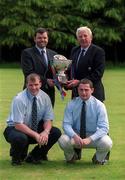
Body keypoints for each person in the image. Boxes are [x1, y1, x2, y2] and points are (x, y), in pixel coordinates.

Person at [3, 73, 61, 165]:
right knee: (20, 138)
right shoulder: (19, 99)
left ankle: (34, 156)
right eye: (31, 85)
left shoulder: (45, 97)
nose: (34, 88)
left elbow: (48, 119)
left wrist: (45, 132)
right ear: (26, 85)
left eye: (36, 85)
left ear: (40, 84)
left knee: (55, 132)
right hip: (15, 129)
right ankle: (16, 158)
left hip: (33, 127)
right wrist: (36, 135)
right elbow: (18, 125)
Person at [58, 79, 112, 165]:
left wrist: (90, 139)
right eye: (81, 90)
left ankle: (98, 159)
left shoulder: (100, 105)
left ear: (92, 90)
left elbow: (104, 128)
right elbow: (66, 124)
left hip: (93, 136)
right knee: (62, 140)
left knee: (107, 142)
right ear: (77, 90)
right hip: (76, 136)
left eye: (86, 90)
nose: (83, 93)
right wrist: (74, 136)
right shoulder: (71, 104)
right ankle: (71, 157)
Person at [66, 26, 105, 102]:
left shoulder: (98, 51)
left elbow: (98, 73)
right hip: (77, 94)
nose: (83, 38)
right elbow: (70, 69)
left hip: (93, 94)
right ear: (77, 39)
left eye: (85, 36)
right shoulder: (74, 50)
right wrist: (65, 80)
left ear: (91, 37)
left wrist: (79, 82)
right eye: (80, 36)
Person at [21, 27, 57, 107]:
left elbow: (57, 72)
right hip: (32, 92)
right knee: (31, 118)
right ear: (35, 39)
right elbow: (29, 73)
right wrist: (46, 81)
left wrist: (62, 79)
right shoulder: (27, 53)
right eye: (39, 38)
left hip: (49, 94)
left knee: (47, 118)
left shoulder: (53, 54)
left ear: (48, 39)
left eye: (45, 37)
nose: (42, 40)